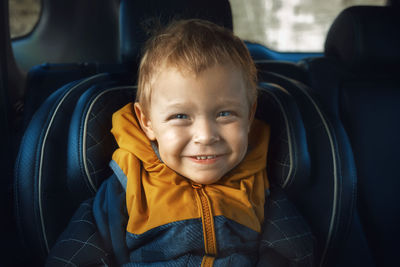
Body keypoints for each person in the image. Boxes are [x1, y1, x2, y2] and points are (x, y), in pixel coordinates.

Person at [46, 19, 312, 267]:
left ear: (250, 114)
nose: (206, 136)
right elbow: (75, 256)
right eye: (180, 116)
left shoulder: (258, 184)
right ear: (147, 122)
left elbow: (293, 253)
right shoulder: (127, 186)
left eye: (225, 114)